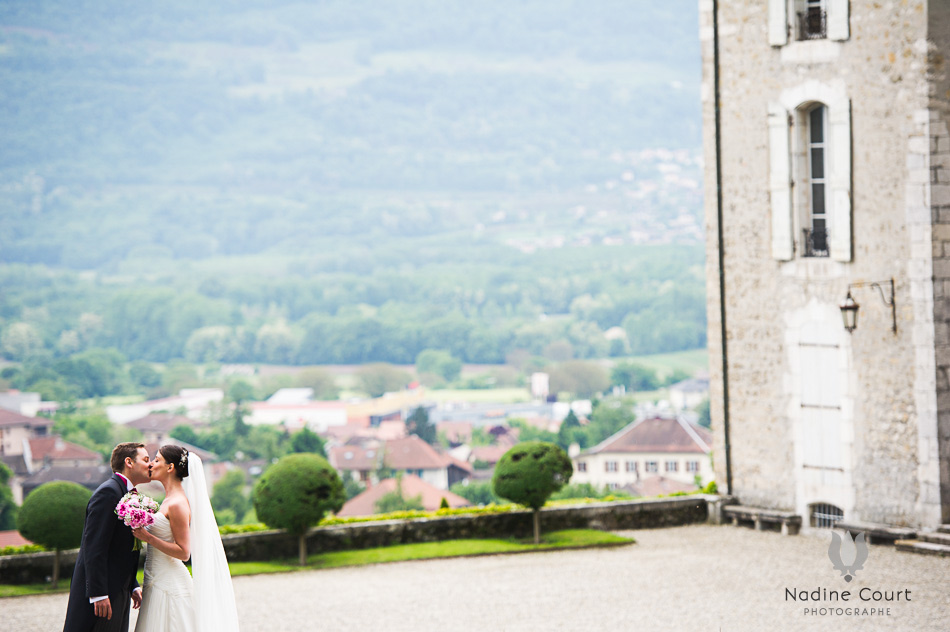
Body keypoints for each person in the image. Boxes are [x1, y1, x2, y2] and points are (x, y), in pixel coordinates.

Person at [132, 445, 239, 631]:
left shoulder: (177, 504)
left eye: (157, 460)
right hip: (155, 576)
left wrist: (148, 538)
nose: (151, 464)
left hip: (168, 582)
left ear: (170, 467)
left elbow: (184, 552)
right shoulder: (168, 499)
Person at [63, 442, 150, 632]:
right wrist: (98, 594)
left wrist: (132, 585)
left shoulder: (128, 494)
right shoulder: (109, 492)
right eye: (145, 460)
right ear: (129, 462)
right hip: (105, 592)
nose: (150, 465)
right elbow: (94, 547)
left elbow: (119, 548)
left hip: (120, 588)